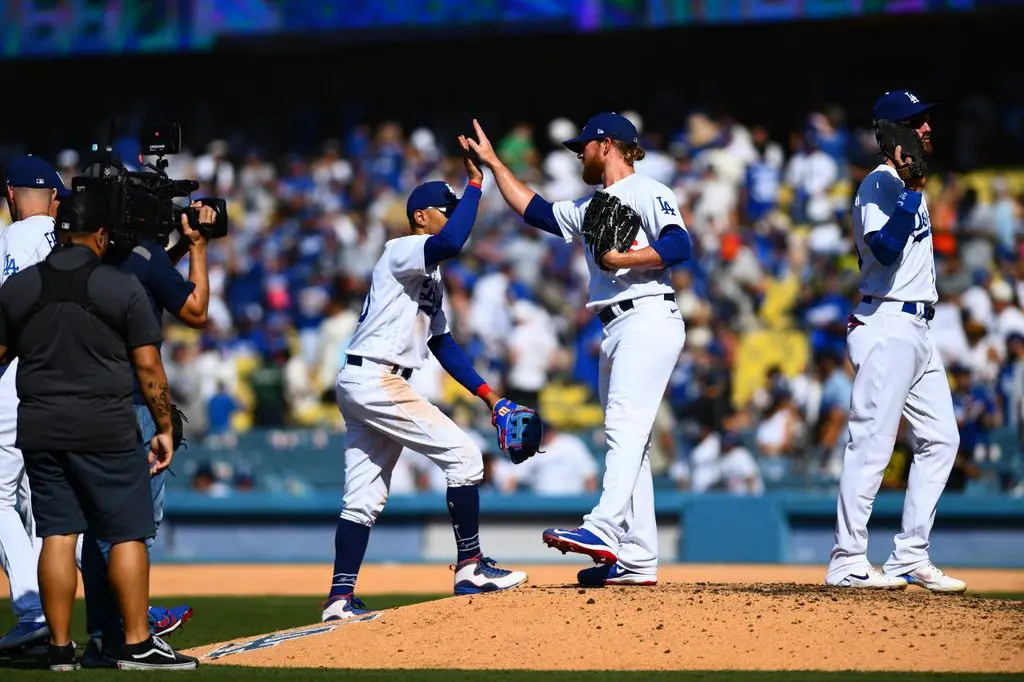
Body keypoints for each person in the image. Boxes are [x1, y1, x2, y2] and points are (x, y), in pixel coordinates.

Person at [464, 113, 691, 586]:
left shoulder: (648, 191)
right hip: (614, 324)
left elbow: (678, 244)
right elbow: (536, 210)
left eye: (583, 146)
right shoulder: (591, 206)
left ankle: (604, 528)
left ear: (606, 145)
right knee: (635, 442)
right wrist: (493, 164)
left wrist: (623, 259)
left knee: (624, 427)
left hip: (648, 314)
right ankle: (637, 558)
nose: (578, 154)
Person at [321, 135, 527, 621]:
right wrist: (477, 182)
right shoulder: (403, 249)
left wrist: (490, 397)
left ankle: (339, 597)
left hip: (368, 379)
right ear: (421, 216)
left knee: (364, 497)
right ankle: (471, 566)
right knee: (465, 456)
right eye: (446, 208)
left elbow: (443, 346)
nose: (453, 215)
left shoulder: (428, 277)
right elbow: (453, 240)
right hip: (375, 377)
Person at [0, 190, 198, 670]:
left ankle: (59, 648)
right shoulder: (119, 287)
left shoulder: (18, 287)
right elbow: (149, 368)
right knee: (127, 532)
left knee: (57, 536)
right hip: (104, 424)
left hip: (41, 426)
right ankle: (135, 643)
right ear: (103, 235)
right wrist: (165, 425)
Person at [825, 90, 966, 593]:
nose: (926, 128)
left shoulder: (910, 185)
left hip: (917, 328)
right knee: (872, 443)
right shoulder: (879, 183)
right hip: (885, 324)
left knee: (942, 439)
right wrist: (910, 193)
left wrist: (915, 190)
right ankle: (847, 559)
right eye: (915, 122)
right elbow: (883, 250)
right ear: (892, 132)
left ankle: (909, 555)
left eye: (927, 120)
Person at [79, 200, 215, 665]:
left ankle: (101, 637)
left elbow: (147, 273)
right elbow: (195, 312)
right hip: (132, 405)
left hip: (77, 403)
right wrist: (197, 247)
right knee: (133, 530)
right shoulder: (145, 256)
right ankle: (133, 637)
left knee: (95, 528)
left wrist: (170, 250)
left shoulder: (84, 256)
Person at [0, 155, 67, 653]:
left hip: (17, 373)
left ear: (10, 194)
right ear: (56, 200)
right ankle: (62, 609)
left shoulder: (9, 240)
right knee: (44, 498)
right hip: (68, 375)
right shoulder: (73, 241)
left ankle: (31, 607)